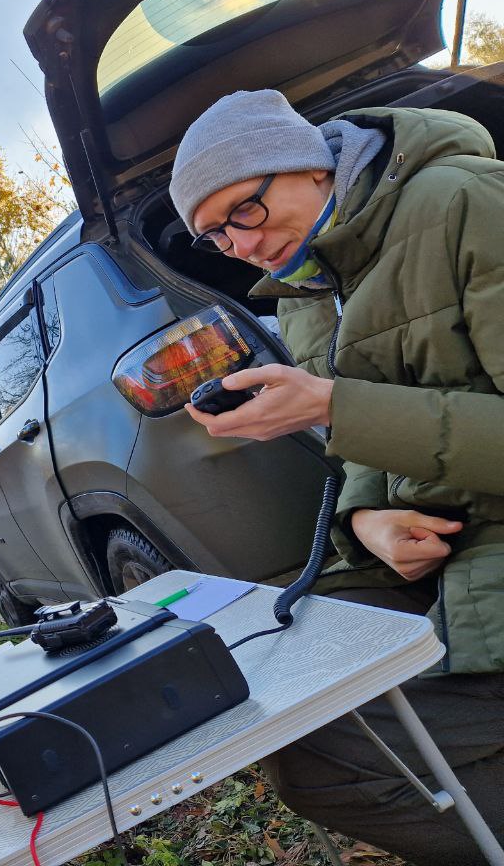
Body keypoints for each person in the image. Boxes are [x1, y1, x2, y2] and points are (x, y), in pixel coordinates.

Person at [168, 89, 504, 865]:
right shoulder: (307, 296)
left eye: (243, 211)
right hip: (456, 558)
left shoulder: (466, 202)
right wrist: (366, 522)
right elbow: (362, 457)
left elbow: (357, 415)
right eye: (216, 235)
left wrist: (336, 405)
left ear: (308, 165)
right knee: (271, 682)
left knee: (337, 752)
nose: (240, 245)